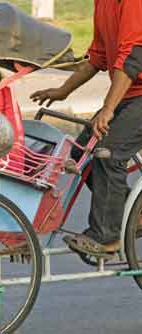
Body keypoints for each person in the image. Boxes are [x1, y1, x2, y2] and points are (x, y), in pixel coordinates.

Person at [30, 0, 142, 257]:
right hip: (129, 93)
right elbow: (98, 54)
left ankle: (107, 237)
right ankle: (132, 213)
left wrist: (108, 108)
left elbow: (133, 56)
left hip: (137, 92)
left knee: (107, 151)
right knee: (80, 152)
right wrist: (62, 91)